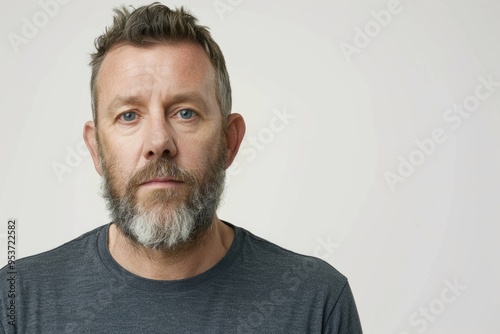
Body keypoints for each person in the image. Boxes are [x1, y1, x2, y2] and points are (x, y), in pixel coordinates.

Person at [0, 3, 362, 333]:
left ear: (229, 141)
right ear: (96, 149)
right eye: (129, 115)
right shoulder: (16, 300)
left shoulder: (316, 301)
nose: (159, 142)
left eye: (185, 112)